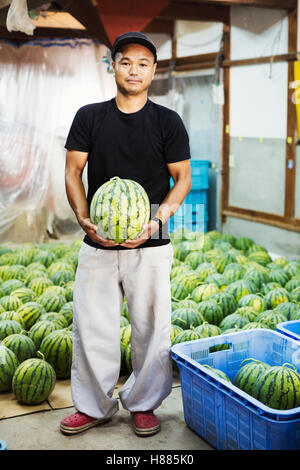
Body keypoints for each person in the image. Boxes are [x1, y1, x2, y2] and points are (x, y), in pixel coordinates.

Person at [60, 31, 191, 437]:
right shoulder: (89, 116)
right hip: (97, 240)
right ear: (112, 66)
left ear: (154, 70)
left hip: (150, 239)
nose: (134, 70)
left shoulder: (167, 121)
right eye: (126, 62)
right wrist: (84, 218)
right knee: (92, 325)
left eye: (143, 63)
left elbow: (181, 178)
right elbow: (72, 172)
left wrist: (158, 221)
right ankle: (93, 406)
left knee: (152, 328)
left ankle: (144, 404)